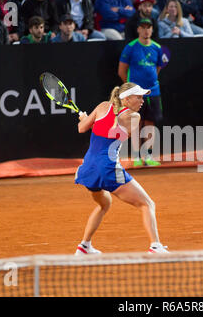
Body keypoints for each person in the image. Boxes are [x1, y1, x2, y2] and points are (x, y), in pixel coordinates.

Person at [74, 82, 169, 255]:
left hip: (88, 168)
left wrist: (88, 120)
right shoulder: (133, 117)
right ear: (126, 99)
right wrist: (97, 125)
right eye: (138, 97)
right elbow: (119, 135)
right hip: (108, 168)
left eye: (143, 97)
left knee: (104, 203)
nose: (142, 101)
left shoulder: (103, 106)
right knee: (147, 204)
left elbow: (82, 128)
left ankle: (84, 246)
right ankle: (155, 246)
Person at [118, 18, 163, 167]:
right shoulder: (130, 47)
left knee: (150, 123)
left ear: (152, 30)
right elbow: (121, 71)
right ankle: (136, 156)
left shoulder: (157, 48)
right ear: (138, 29)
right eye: (143, 27)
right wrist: (132, 90)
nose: (146, 30)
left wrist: (150, 83)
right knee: (135, 124)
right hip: (135, 94)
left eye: (148, 27)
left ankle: (148, 156)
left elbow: (157, 69)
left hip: (153, 92)